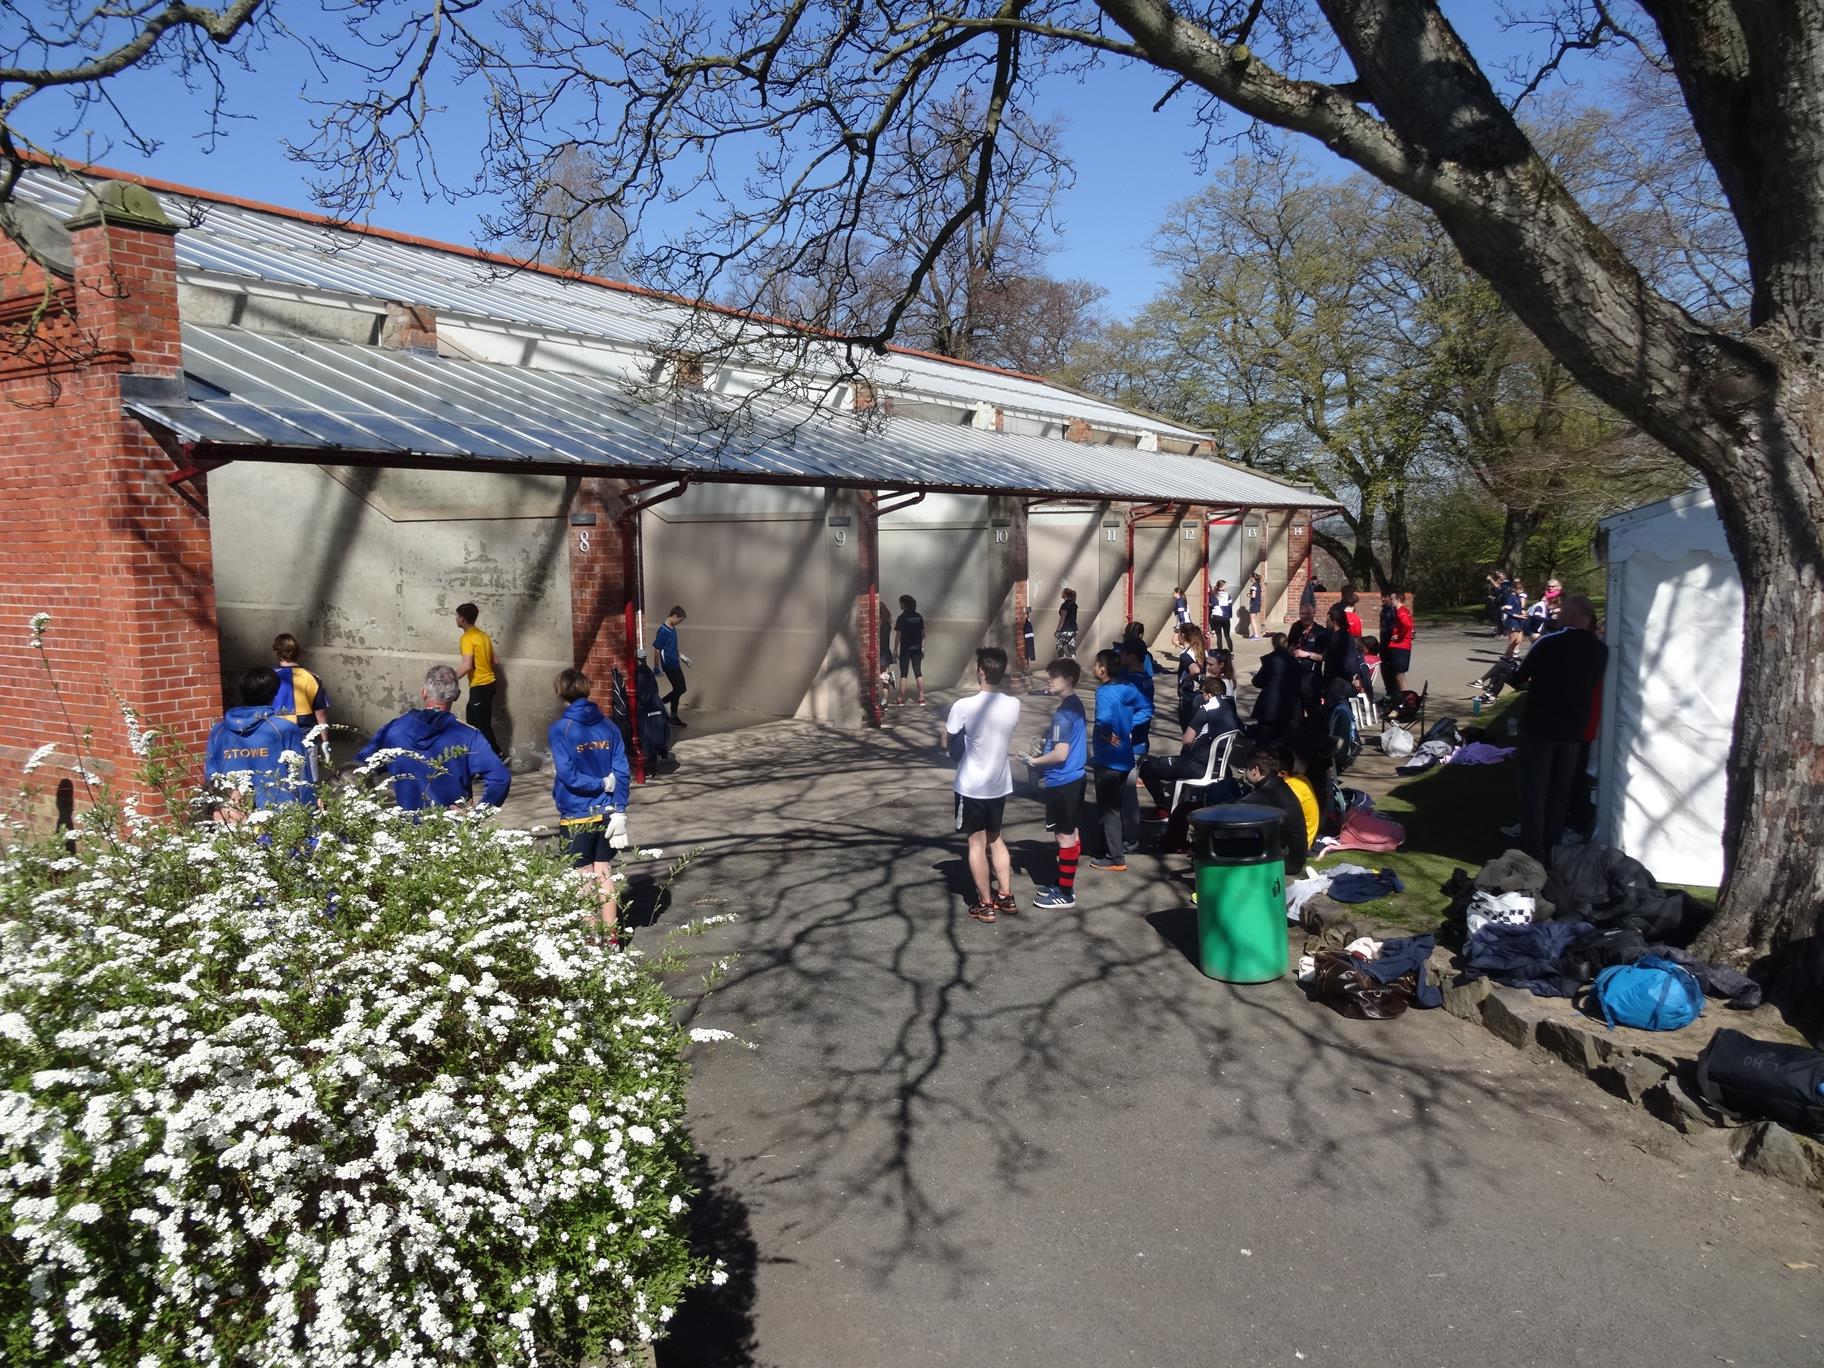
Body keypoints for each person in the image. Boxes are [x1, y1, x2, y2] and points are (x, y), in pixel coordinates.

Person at [1508, 595, 1607, 859]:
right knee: (1559, 792)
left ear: (1575, 615)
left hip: (1541, 725)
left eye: (1563, 612)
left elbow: (1520, 677)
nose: (1557, 615)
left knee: (1535, 789)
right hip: (1573, 729)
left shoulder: (1549, 642)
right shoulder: (1600, 649)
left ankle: (1533, 849)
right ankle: (1552, 846)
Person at [355, 664, 512, 811]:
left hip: (406, 829)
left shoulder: (394, 730)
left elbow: (357, 769)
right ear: (456, 695)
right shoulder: (469, 736)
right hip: (453, 828)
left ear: (423, 692)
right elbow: (500, 778)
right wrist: (478, 815)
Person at [548, 668, 631, 939]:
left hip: (576, 812)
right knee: (604, 870)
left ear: (560, 692)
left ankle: (591, 938)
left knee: (583, 875)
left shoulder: (561, 729)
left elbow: (568, 775)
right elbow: (621, 771)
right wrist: (620, 809)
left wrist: (597, 784)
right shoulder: (608, 726)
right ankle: (611, 935)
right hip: (607, 812)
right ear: (587, 689)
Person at [942, 647, 1022, 922]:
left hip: (972, 785)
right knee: (996, 838)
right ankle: (1006, 895)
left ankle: (985, 903)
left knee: (976, 844)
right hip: (998, 784)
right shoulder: (1014, 705)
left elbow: (946, 741)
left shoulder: (963, 706)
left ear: (981, 672)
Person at [1022, 658, 1087, 909]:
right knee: (1071, 832)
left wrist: (1035, 761)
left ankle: (1066, 892)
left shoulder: (1063, 714)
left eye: (1054, 675)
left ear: (1068, 679)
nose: (1049, 679)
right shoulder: (1074, 704)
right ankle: (1063, 883)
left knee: (1064, 835)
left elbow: (1060, 754)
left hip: (1063, 780)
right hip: (1074, 777)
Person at [205, 667, 314, 815]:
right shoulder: (285, 730)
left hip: (234, 821)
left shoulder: (218, 731)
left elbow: (212, 778)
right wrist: (312, 820)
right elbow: (302, 780)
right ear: (275, 694)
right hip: (281, 820)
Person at [1141, 673, 1240, 836]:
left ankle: (1164, 808)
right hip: (1221, 767)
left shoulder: (1206, 709)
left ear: (1207, 694)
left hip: (1198, 766)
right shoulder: (1230, 707)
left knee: (1147, 767)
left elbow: (1186, 740)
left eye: (1202, 693)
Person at [1088, 649, 1151, 871]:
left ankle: (1115, 857)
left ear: (1103, 669)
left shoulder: (1104, 692)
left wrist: (1107, 731)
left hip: (1108, 759)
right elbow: (1146, 709)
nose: (1093, 668)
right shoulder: (1129, 687)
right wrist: (1128, 727)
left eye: (1096, 664)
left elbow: (1103, 718)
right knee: (1119, 804)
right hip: (1125, 757)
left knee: (1109, 809)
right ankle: (1111, 845)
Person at [1229, 742, 1310, 875]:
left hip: (1286, 862)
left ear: (1255, 770)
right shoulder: (1277, 785)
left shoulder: (1268, 791)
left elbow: (1233, 810)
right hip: (1292, 855)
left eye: (1246, 768)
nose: (1245, 772)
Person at [271, 633, 332, 752]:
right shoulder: (312, 677)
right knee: (307, 769)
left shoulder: (269, 677)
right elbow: (320, 714)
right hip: (305, 735)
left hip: (275, 732)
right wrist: (325, 741)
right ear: (298, 652)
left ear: (276, 652)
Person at [1250, 633, 1300, 745]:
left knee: (1264, 740)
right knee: (1280, 739)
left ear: (1273, 644)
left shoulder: (1270, 660)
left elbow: (1257, 681)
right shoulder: (1294, 662)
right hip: (1286, 705)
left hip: (1269, 707)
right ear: (1286, 643)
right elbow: (1297, 683)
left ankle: (1262, 760)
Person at [654, 605, 692, 725]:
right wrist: (656, 667)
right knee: (678, 689)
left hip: (675, 662)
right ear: (674, 616)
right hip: (668, 665)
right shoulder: (662, 631)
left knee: (682, 688)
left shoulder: (673, 628)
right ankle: (672, 715)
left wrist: (682, 656)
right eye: (680, 620)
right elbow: (657, 649)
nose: (680, 622)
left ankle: (659, 704)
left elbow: (672, 647)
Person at [892, 594, 927, 706]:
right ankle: (922, 698)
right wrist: (922, 647)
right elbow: (923, 634)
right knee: (918, 672)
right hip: (917, 648)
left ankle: (900, 699)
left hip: (905, 649)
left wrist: (895, 649)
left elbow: (898, 635)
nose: (899, 605)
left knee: (904, 674)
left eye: (900, 603)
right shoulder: (918, 616)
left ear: (904, 604)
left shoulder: (901, 618)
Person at [1172, 623, 1207, 730]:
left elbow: (1195, 670)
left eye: (1178, 633)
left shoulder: (1185, 655)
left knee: (1188, 731)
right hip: (1201, 694)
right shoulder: (1202, 651)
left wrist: (1186, 681)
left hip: (1188, 696)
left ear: (1182, 635)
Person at [1383, 590, 1415, 695]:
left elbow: (1407, 625)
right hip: (1402, 645)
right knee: (1399, 674)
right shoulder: (1404, 610)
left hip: (1400, 646)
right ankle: (1405, 694)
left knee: (1399, 674)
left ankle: (1405, 695)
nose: (1391, 601)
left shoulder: (1401, 611)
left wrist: (1399, 635)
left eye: (1392, 599)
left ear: (1398, 599)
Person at [1209, 579, 1234, 652]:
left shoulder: (1213, 594)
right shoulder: (1227, 595)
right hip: (1225, 617)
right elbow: (1230, 607)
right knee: (1227, 635)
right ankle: (1231, 651)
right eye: (1225, 585)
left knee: (1219, 636)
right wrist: (1230, 617)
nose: (1226, 586)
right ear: (1222, 587)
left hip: (1216, 617)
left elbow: (1211, 605)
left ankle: (1220, 652)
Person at [1055, 587, 1079, 659]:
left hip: (1065, 630)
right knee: (1071, 647)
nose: (1061, 593)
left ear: (1065, 594)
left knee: (1059, 646)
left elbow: (1062, 618)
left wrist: (1058, 630)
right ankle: (1074, 665)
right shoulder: (1074, 604)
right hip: (1074, 629)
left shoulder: (1065, 605)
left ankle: (1063, 664)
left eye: (1062, 592)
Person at [1245, 572, 1264, 639]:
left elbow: (1253, 595)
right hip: (1257, 603)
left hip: (1253, 604)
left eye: (1250, 577)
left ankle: (1256, 635)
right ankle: (1255, 634)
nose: (1249, 578)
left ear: (1253, 578)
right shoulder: (1258, 585)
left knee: (1252, 620)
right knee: (1254, 619)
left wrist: (1248, 595)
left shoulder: (1253, 585)